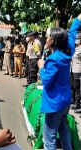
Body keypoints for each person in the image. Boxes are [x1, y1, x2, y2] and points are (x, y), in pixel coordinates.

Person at [38, 14, 81, 150]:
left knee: (49, 138)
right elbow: (72, 33)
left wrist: (41, 67)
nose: (47, 37)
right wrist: (77, 20)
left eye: (49, 36)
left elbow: (46, 82)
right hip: (65, 101)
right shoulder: (68, 51)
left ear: (53, 41)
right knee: (63, 131)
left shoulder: (53, 59)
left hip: (54, 104)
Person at [70, 32, 81, 113]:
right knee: (73, 86)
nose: (76, 41)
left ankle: (77, 104)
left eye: (78, 39)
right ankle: (74, 101)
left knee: (77, 88)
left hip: (78, 70)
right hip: (73, 69)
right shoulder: (75, 48)